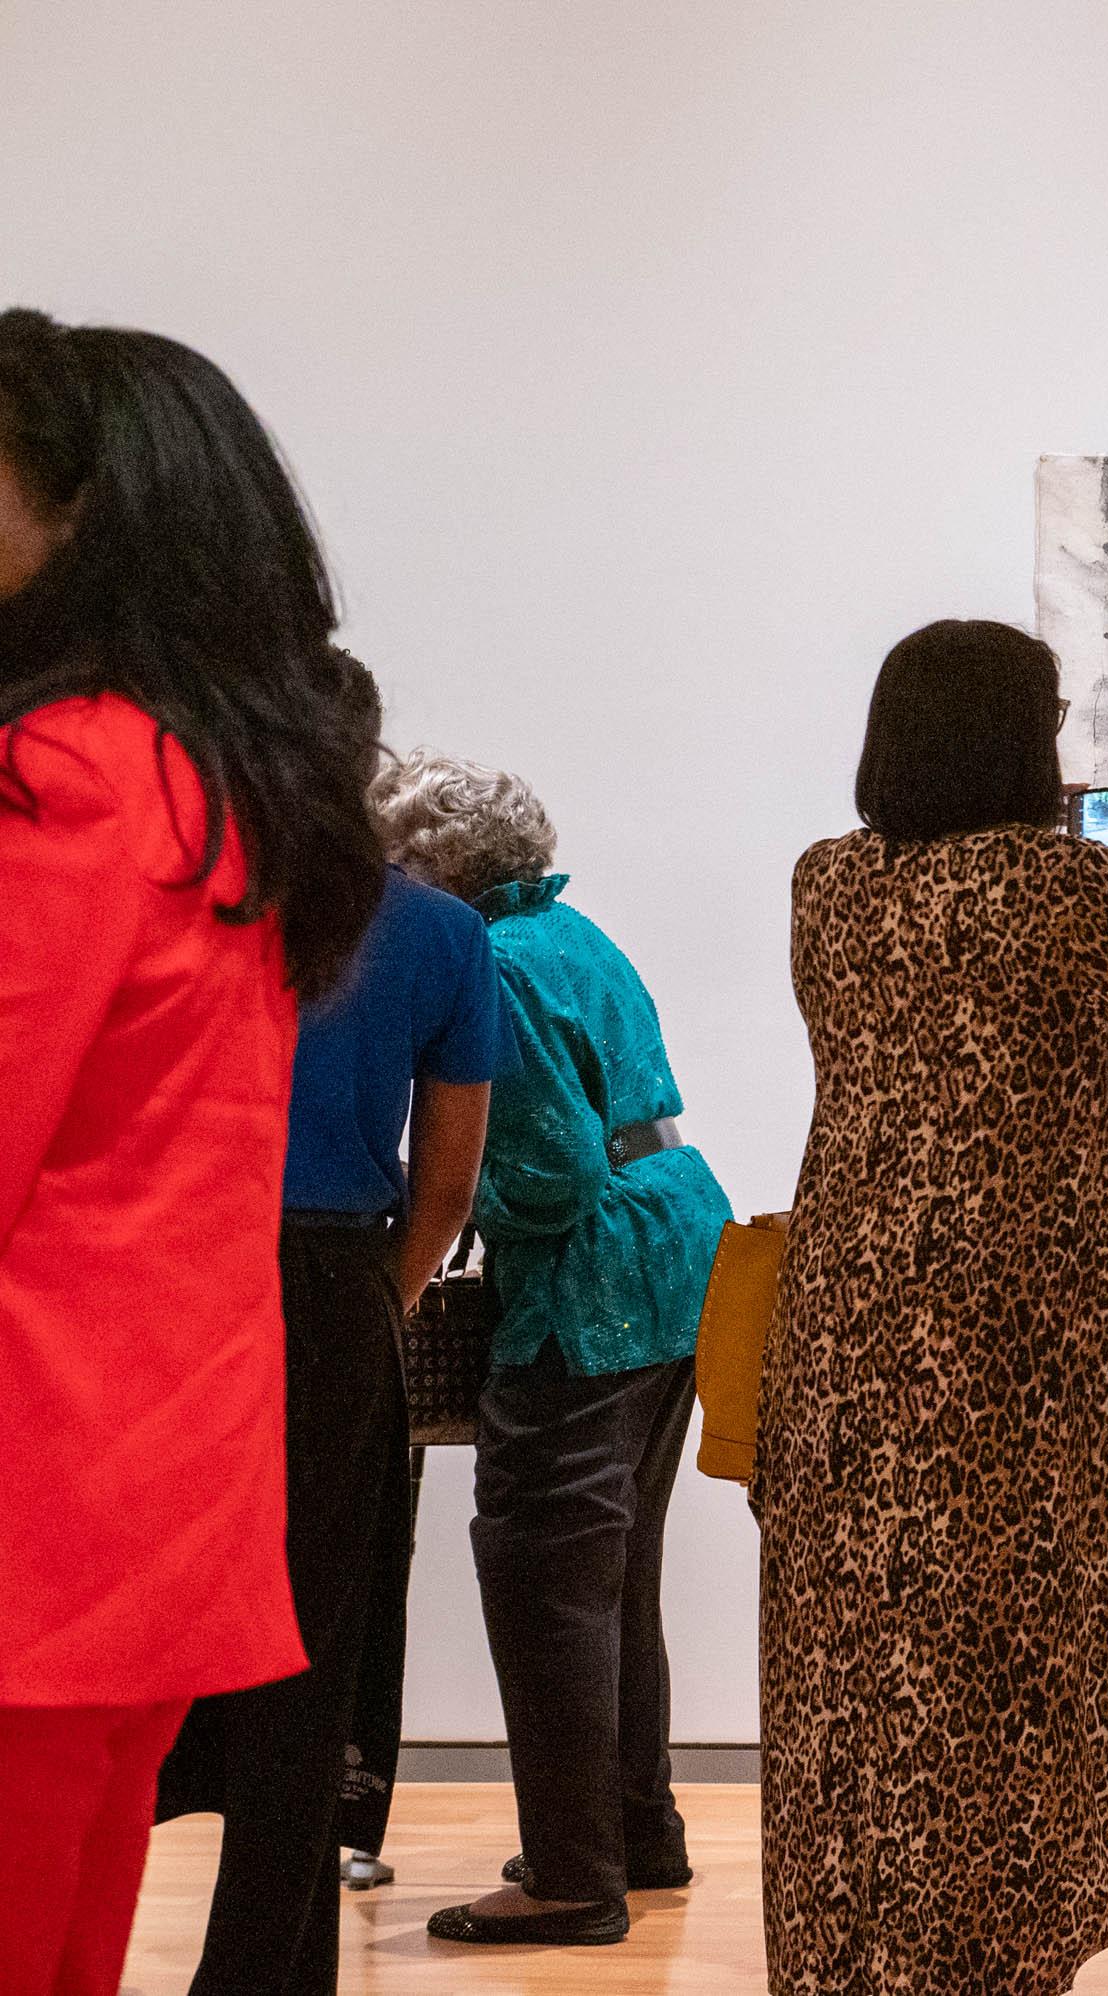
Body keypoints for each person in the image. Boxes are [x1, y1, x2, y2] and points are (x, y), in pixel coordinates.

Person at [760, 619, 1108, 1995]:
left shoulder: (826, 887)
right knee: (1023, 1670)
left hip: (844, 1340)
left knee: (860, 1669)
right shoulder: (1060, 892)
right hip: (1013, 1349)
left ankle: (852, 1957)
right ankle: (997, 1952)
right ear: (1027, 741)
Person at [0, 309, 384, 1996]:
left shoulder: (63, 778)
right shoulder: (211, 791)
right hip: (146, 1493)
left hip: (35, 1483)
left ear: (74, 513)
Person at [149, 654, 504, 1995]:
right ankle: (269, 1968)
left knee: (134, 1609)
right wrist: (381, 1296)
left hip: (181, 1277)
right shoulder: (438, 933)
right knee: (310, 1630)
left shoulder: (194, 900)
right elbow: (451, 1176)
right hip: (336, 1283)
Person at [372, 751, 732, 1949]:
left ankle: (575, 1878)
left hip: (594, 1282)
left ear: (441, 866)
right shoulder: (569, 932)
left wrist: (438, 1227)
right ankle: (637, 1828)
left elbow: (546, 1170)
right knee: (614, 1572)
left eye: (396, 860)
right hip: (676, 1253)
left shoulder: (494, 959)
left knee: (541, 1568)